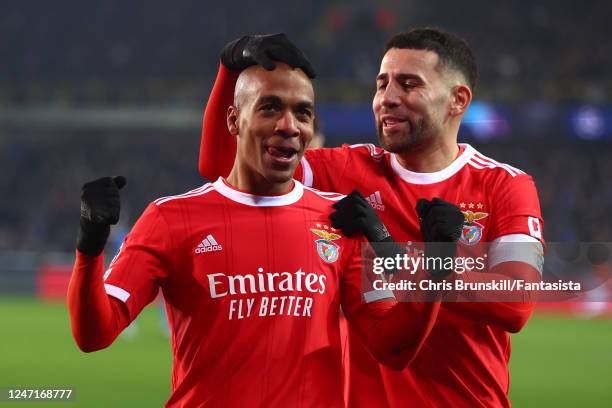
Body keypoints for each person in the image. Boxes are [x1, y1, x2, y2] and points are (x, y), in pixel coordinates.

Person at [67, 59, 451, 407]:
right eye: (270, 108)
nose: (289, 126)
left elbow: (393, 347)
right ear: (234, 120)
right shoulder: (171, 218)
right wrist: (90, 246)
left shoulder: (339, 220)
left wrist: (438, 264)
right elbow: (94, 334)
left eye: (303, 113)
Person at [198, 29, 545, 407]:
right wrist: (230, 68)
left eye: (408, 84)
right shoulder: (345, 170)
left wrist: (392, 254)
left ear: (457, 100)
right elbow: (223, 166)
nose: (388, 98)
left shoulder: (503, 184)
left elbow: (516, 301)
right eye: (382, 84)